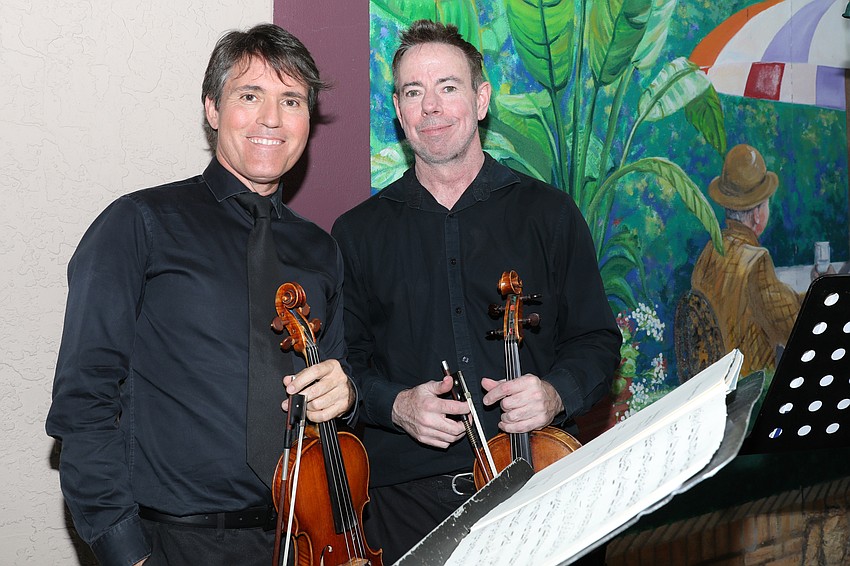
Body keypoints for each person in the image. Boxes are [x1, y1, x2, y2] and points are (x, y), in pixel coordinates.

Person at [46, 24, 355, 566]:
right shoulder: (138, 223)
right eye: (249, 96)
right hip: (171, 542)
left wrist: (345, 393)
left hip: (302, 540)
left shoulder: (320, 250)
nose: (272, 119)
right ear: (212, 108)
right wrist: (127, 554)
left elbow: (339, 376)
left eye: (291, 100)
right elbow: (82, 404)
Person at [331, 20, 622, 562]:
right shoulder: (356, 233)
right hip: (408, 509)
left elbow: (597, 341)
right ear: (398, 111)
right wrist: (396, 406)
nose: (431, 108)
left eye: (448, 87)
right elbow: (346, 367)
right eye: (414, 92)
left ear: (481, 99)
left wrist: (556, 392)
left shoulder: (549, 214)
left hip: (541, 486)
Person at [691, 143, 804, 377]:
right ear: (757, 215)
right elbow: (793, 326)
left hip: (713, 385)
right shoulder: (757, 261)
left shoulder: (710, 251)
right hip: (750, 391)